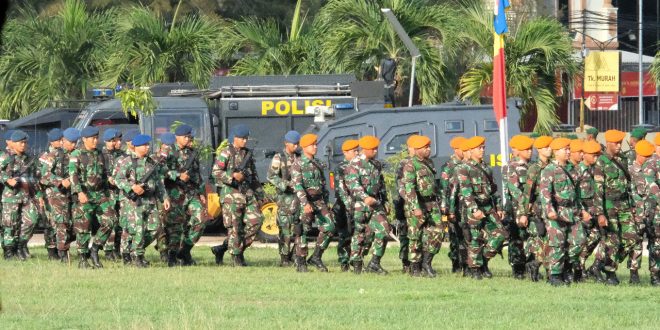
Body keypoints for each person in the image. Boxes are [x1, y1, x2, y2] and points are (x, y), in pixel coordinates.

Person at [211, 124, 264, 266]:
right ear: (235, 138)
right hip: (231, 195)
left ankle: (225, 248)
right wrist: (232, 176)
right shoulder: (225, 153)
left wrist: (260, 196)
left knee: (256, 221)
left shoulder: (247, 154)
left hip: (247, 193)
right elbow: (216, 172)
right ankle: (236, 257)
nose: (245, 141)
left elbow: (255, 177)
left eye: (246, 138)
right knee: (235, 227)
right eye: (242, 138)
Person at [115, 134, 170, 267]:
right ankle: (137, 257)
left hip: (150, 201)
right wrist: (132, 187)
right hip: (134, 202)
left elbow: (158, 182)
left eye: (147, 145)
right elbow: (119, 179)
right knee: (138, 229)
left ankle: (134, 251)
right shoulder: (128, 161)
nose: (147, 147)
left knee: (155, 227)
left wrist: (165, 198)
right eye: (144, 145)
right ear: (136, 147)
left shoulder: (151, 162)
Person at [69, 126, 118, 268]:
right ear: (84, 139)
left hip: (100, 194)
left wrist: (108, 186)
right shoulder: (76, 154)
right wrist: (79, 192)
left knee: (111, 220)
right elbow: (73, 175)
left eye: (97, 138)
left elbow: (103, 174)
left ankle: (95, 248)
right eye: (93, 139)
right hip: (84, 194)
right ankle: (82, 259)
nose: (95, 141)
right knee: (83, 227)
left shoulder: (99, 154)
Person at [457, 136, 505, 280]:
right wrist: (474, 209)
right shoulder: (464, 169)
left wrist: (499, 207)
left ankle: (483, 261)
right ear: (470, 151)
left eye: (483, 147)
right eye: (479, 148)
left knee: (500, 233)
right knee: (475, 238)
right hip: (474, 208)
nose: (482, 150)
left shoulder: (486, 168)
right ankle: (475, 269)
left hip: (488, 207)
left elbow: (493, 190)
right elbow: (466, 191)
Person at [346, 136, 391, 275]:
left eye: (377, 148)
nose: (376, 151)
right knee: (360, 234)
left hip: (376, 204)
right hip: (361, 204)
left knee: (384, 229)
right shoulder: (354, 164)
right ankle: (356, 263)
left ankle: (374, 263)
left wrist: (385, 201)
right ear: (365, 149)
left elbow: (381, 185)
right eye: (373, 149)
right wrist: (365, 197)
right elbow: (353, 184)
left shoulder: (376, 164)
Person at [538, 138, 580, 286]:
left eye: (569, 149)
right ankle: (555, 275)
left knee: (579, 241)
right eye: (565, 149)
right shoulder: (549, 170)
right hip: (556, 211)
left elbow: (577, 193)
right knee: (557, 244)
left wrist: (582, 211)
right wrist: (550, 211)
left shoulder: (573, 169)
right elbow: (545, 193)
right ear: (556, 152)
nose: (568, 152)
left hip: (572, 211)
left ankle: (566, 268)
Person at [291, 134, 335, 272]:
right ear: (304, 147)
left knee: (330, 226)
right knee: (303, 230)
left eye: (316, 144)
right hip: (304, 201)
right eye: (312, 145)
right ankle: (301, 262)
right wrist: (305, 203)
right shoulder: (298, 164)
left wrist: (327, 202)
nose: (315, 147)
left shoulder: (318, 163)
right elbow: (297, 185)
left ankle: (316, 256)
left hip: (319, 201)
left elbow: (323, 184)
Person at [592, 129, 631, 285]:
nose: (619, 146)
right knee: (613, 240)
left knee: (632, 238)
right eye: (616, 143)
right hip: (609, 206)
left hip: (624, 204)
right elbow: (598, 190)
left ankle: (601, 263)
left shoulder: (623, 159)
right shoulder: (601, 162)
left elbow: (628, 185)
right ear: (608, 143)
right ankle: (610, 272)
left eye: (620, 143)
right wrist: (600, 214)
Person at [163, 125, 206, 266]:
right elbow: (159, 171)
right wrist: (177, 175)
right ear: (177, 137)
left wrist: (201, 192)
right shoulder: (168, 151)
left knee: (201, 219)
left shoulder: (192, 152)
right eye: (186, 137)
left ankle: (185, 249)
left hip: (191, 192)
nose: (188, 139)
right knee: (175, 227)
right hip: (174, 194)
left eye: (190, 137)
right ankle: (172, 256)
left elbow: (197, 174)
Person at [400, 135, 442, 277]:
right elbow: (409, 188)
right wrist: (415, 207)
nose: (428, 150)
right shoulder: (410, 165)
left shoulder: (428, 162)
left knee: (438, 232)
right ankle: (415, 267)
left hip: (432, 203)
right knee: (415, 237)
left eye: (429, 147)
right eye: (425, 148)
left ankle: (427, 262)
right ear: (417, 149)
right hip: (418, 204)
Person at [0, 130, 42, 261]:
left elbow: (35, 178)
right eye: (20, 143)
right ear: (12, 144)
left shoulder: (29, 159)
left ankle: (20, 244)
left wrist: (39, 195)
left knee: (32, 220)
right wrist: (7, 179)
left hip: (26, 196)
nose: (23, 145)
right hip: (10, 197)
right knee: (10, 225)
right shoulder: (5, 156)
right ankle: (9, 253)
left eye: (25, 142)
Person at [265, 130, 301, 267]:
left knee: (299, 228)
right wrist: (286, 185)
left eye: (297, 144)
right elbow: (271, 176)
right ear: (286, 143)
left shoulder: (299, 157)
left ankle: (295, 255)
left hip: (298, 198)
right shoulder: (279, 158)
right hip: (284, 198)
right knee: (285, 229)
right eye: (294, 144)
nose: (296, 146)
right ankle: (284, 258)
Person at [502, 135, 534, 279]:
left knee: (532, 236)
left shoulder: (532, 166)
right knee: (516, 239)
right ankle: (517, 267)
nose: (530, 152)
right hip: (515, 208)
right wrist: (525, 206)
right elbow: (514, 191)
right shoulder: (510, 167)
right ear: (518, 151)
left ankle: (530, 264)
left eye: (531, 149)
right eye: (526, 149)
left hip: (531, 208)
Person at [522, 135, 553, 281]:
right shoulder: (534, 169)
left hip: (552, 208)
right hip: (539, 210)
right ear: (539, 150)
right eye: (546, 147)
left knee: (552, 241)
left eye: (550, 146)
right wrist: (525, 214)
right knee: (541, 241)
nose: (550, 149)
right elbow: (528, 193)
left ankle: (546, 269)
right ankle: (535, 265)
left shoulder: (553, 166)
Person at [626, 139, 655, 284]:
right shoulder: (630, 171)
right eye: (646, 156)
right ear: (638, 155)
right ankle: (634, 274)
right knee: (636, 244)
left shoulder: (654, 170)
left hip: (653, 214)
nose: (649, 159)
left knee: (655, 244)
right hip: (636, 213)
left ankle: (655, 275)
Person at [576, 141, 603, 282]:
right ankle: (579, 269)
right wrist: (581, 212)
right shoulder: (577, 171)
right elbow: (572, 194)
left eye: (598, 155)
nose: (596, 158)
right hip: (583, 212)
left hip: (595, 210)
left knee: (595, 238)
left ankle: (585, 265)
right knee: (580, 241)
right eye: (593, 155)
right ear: (584, 155)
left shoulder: (596, 169)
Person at [441, 136, 468, 274]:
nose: (465, 151)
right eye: (463, 149)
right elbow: (445, 189)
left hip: (465, 207)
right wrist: (447, 210)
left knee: (465, 236)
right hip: (453, 207)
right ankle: (456, 264)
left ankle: (465, 263)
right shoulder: (449, 166)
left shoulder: (466, 165)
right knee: (454, 237)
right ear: (456, 149)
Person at [332, 139, 359, 272]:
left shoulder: (360, 165)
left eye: (357, 150)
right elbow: (341, 189)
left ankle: (356, 261)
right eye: (354, 151)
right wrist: (349, 205)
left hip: (357, 204)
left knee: (358, 234)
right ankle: (344, 262)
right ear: (345, 153)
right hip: (343, 206)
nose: (357, 153)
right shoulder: (341, 167)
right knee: (345, 235)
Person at [393, 135, 418, 274]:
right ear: (409, 148)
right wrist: (410, 201)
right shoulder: (403, 163)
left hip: (419, 205)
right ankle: (405, 262)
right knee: (405, 235)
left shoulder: (424, 162)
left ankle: (417, 261)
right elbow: (401, 186)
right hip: (405, 204)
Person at [38, 128, 64, 260]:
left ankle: (60, 248)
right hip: (50, 193)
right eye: (60, 140)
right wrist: (59, 181)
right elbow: (44, 176)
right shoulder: (48, 156)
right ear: (53, 142)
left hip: (61, 194)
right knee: (51, 222)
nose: (62, 142)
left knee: (60, 222)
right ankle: (51, 250)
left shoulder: (62, 153)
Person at [101, 128, 124, 261]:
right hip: (107, 193)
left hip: (120, 192)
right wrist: (107, 178)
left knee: (120, 223)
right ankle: (108, 250)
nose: (116, 143)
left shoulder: (121, 154)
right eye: (113, 141)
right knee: (110, 221)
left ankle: (116, 248)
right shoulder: (101, 154)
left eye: (117, 140)